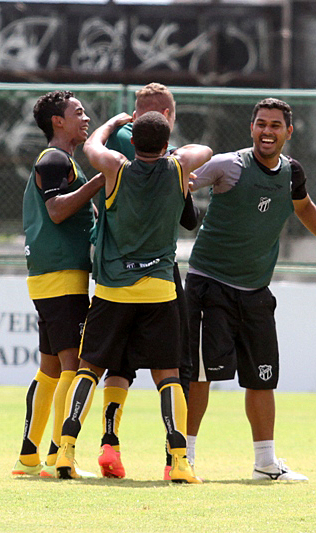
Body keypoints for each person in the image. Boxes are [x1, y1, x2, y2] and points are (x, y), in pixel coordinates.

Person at [184, 98, 316, 481]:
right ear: (251, 128)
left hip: (255, 291)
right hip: (208, 285)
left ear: (288, 132)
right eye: (261, 123)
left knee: (262, 377)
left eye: (275, 125)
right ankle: (184, 457)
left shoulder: (292, 172)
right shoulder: (229, 165)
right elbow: (180, 181)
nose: (267, 131)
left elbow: (304, 206)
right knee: (200, 375)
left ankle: (266, 463)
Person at [54, 111, 212, 483]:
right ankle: (179, 462)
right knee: (169, 375)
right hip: (159, 288)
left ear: (133, 142)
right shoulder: (177, 167)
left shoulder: (116, 168)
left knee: (89, 367)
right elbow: (203, 150)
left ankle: (65, 450)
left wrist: (113, 123)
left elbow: (93, 146)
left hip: (113, 289)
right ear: (165, 141)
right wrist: (175, 153)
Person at [97, 83, 200, 480]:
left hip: (115, 272)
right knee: (172, 367)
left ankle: (109, 445)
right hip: (159, 272)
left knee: (115, 364)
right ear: (168, 118)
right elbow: (190, 220)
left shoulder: (117, 150)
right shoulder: (165, 153)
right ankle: (176, 457)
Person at [11, 90, 104, 478]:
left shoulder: (62, 160)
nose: (86, 118)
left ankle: (29, 456)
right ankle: (57, 456)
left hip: (52, 276)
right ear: (57, 122)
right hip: (61, 275)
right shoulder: (54, 158)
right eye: (78, 112)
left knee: (49, 366)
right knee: (74, 364)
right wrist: (102, 181)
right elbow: (57, 209)